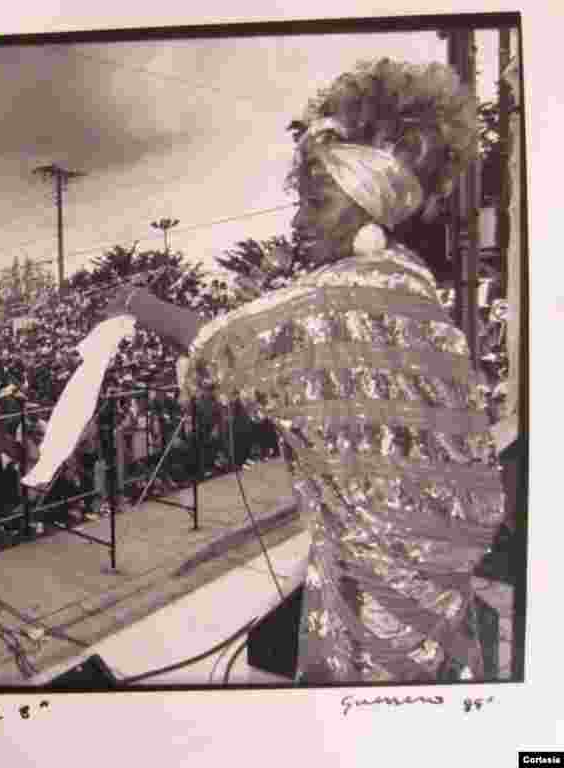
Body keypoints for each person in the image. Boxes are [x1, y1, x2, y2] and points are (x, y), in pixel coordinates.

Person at [101, 59, 504, 684]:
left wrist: (139, 305)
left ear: (369, 202)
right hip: (435, 580)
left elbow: (230, 343)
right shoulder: (410, 284)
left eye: (314, 202)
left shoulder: (346, 296)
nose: (296, 221)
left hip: (379, 599)